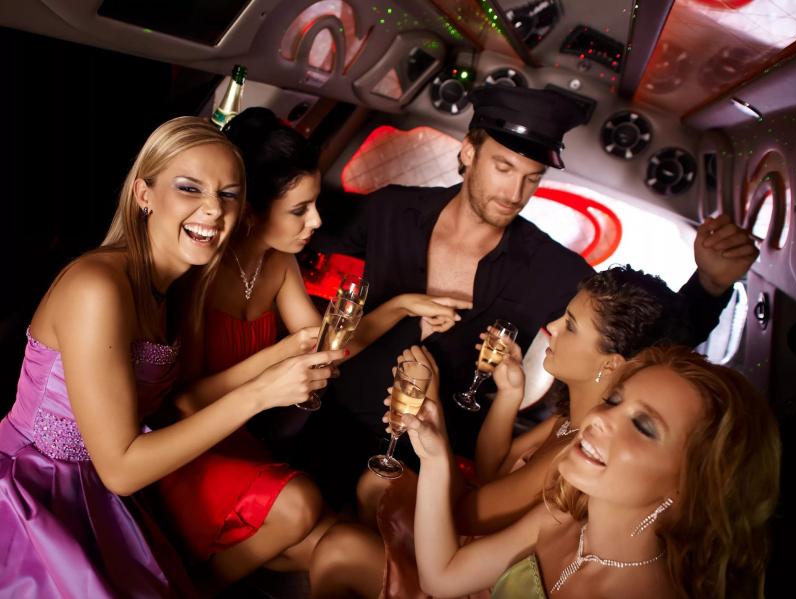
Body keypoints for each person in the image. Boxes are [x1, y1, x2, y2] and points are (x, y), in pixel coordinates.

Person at [304, 84, 759, 500]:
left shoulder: (549, 267)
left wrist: (711, 284)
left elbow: (652, 341)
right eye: (503, 168)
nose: (515, 192)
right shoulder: (392, 210)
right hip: (325, 417)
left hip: (423, 461)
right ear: (468, 152)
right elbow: (297, 233)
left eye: (532, 177)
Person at [0, 116, 343, 598]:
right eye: (189, 188)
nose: (213, 209)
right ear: (144, 194)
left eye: (228, 194)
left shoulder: (172, 290)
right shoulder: (98, 287)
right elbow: (121, 469)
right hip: (33, 493)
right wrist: (261, 393)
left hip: (100, 494)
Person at [155, 107, 470, 586]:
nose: (317, 220)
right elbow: (186, 403)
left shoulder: (279, 263)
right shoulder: (202, 272)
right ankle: (185, 586)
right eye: (300, 210)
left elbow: (329, 346)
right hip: (188, 448)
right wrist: (279, 356)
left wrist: (402, 305)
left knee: (342, 543)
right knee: (301, 505)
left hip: (239, 441)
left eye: (315, 204)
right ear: (253, 210)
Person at [309, 266, 705, 598]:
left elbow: (466, 515)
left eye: (569, 325)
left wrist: (436, 420)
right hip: (471, 551)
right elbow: (492, 470)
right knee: (375, 484)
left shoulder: (581, 452)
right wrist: (509, 394)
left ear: (610, 364)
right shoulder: (568, 421)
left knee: (339, 546)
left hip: (472, 564)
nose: (551, 328)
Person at [409, 345, 780, 598]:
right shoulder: (562, 517)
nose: (599, 417)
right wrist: (434, 459)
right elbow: (442, 577)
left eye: (644, 426)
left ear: (690, 483)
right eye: (614, 400)